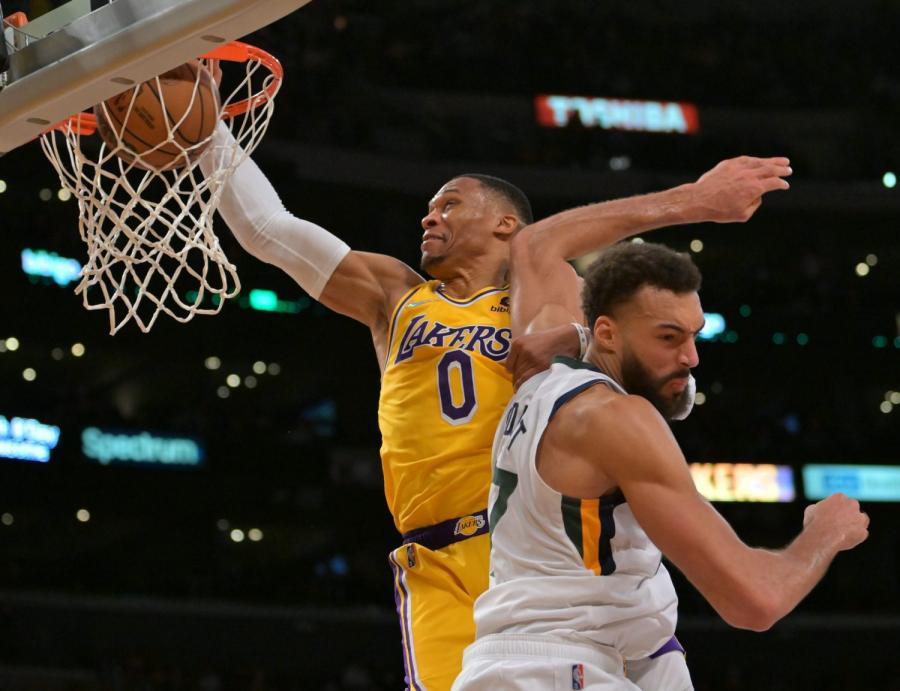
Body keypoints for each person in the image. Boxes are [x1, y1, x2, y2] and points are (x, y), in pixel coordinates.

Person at [203, 117, 792, 689]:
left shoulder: (554, 293)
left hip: (536, 546)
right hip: (434, 558)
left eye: (449, 204)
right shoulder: (395, 295)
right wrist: (205, 131)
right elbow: (268, 229)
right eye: (430, 208)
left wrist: (580, 337)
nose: (429, 216)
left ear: (506, 224)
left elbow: (663, 384)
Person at [453, 241, 870, 691]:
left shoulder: (540, 375)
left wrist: (579, 334)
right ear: (608, 333)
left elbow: (540, 253)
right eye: (668, 338)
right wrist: (825, 533)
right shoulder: (615, 417)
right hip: (563, 667)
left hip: (529, 658)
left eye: (694, 336)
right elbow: (756, 601)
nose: (691, 357)